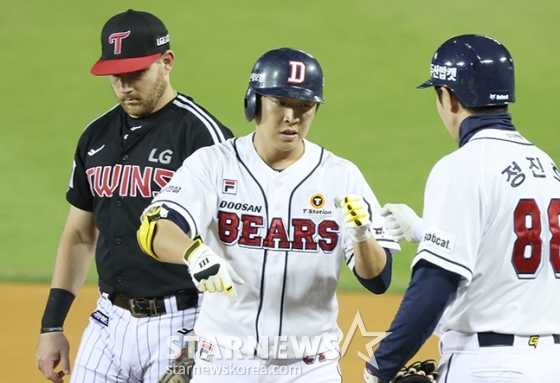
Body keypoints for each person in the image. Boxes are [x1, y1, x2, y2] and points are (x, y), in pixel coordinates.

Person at [136, 47, 401, 381]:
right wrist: (194, 254)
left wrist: (362, 236)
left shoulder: (341, 176)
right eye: (281, 103)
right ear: (254, 103)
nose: (292, 117)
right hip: (222, 360)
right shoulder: (214, 164)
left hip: (308, 366)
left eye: (304, 107)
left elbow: (378, 279)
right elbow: (154, 228)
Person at [35, 9, 233, 383]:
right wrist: (51, 325)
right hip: (108, 321)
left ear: (167, 62)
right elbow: (79, 234)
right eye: (116, 76)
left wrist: (204, 340)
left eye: (136, 73)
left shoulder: (203, 136)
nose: (125, 86)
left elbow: (231, 243)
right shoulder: (96, 136)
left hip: (183, 322)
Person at [364, 34, 560, 383]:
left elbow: (436, 282)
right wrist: (425, 231)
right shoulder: (546, 166)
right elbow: (513, 243)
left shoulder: (462, 166)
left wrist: (382, 365)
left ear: (450, 98)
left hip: (488, 368)